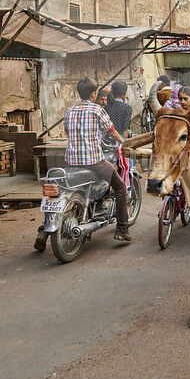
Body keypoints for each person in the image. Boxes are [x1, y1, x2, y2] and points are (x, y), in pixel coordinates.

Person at [34, 78, 131, 251]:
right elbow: (111, 130)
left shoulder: (70, 111)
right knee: (120, 187)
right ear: (94, 94)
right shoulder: (97, 110)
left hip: (71, 162)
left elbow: (66, 131)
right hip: (94, 162)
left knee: (59, 192)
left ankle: (43, 232)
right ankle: (122, 229)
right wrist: (122, 141)